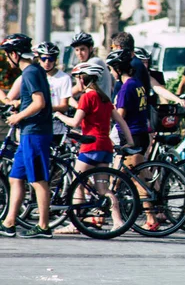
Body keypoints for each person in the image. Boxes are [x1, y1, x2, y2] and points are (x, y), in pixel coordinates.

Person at [53, 62, 135, 234]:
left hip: (90, 146)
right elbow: (121, 121)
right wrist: (129, 141)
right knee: (103, 189)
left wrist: (59, 115)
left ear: (83, 79)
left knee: (77, 184)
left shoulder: (87, 97)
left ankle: (76, 223)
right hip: (105, 147)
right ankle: (118, 221)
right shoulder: (104, 98)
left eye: (77, 79)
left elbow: (75, 122)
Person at [0, 34, 53, 238]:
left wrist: (18, 117)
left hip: (35, 133)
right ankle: (9, 222)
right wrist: (18, 108)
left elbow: (39, 102)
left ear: (14, 54)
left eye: (7, 55)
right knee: (15, 178)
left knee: (38, 180)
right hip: (29, 132)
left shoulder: (30, 72)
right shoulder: (34, 70)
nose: (7, 59)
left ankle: (44, 226)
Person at [106, 48, 157, 230]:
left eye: (112, 69)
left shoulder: (126, 88)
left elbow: (120, 115)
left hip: (131, 137)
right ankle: (110, 215)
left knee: (130, 180)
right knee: (134, 177)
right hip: (141, 133)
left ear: (118, 69)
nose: (111, 73)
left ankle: (151, 218)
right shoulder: (137, 84)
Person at [33, 42, 72, 140]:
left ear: (55, 60)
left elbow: (64, 106)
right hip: (37, 127)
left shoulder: (64, 78)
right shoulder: (34, 76)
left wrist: (43, 107)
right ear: (39, 59)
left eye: (51, 59)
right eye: (43, 59)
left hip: (57, 129)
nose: (47, 62)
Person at [70, 32, 112, 98]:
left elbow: (80, 88)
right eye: (77, 50)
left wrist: (62, 96)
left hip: (99, 105)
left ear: (90, 49)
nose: (79, 53)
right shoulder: (93, 61)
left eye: (82, 49)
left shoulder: (94, 62)